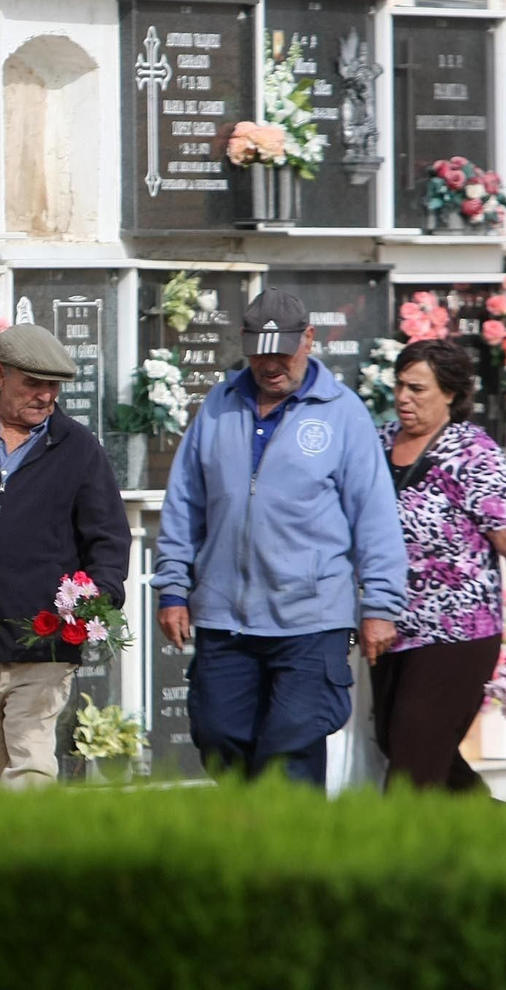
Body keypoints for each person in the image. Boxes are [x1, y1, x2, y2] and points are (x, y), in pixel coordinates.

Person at [153, 288, 407, 788]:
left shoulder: (343, 413)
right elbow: (185, 501)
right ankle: (247, 850)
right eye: (259, 353)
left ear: (309, 340)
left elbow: (374, 515)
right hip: (226, 616)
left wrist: (380, 605)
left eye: (281, 352)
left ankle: (292, 861)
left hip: (311, 620)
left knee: (288, 752)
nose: (270, 366)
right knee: (218, 736)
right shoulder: (219, 406)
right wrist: (174, 588)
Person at [0, 323, 133, 787]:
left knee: (33, 766)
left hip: (43, 644)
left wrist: (100, 598)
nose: (45, 396)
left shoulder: (78, 448)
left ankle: (32, 859)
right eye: (32, 384)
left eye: (53, 386)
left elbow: (109, 539)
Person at [373, 338, 506, 791]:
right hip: (390, 629)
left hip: (456, 633)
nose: (403, 398)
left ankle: (390, 857)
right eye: (399, 386)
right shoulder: (376, 443)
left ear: (451, 394)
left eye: (417, 389)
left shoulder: (471, 453)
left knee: (412, 766)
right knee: (402, 747)